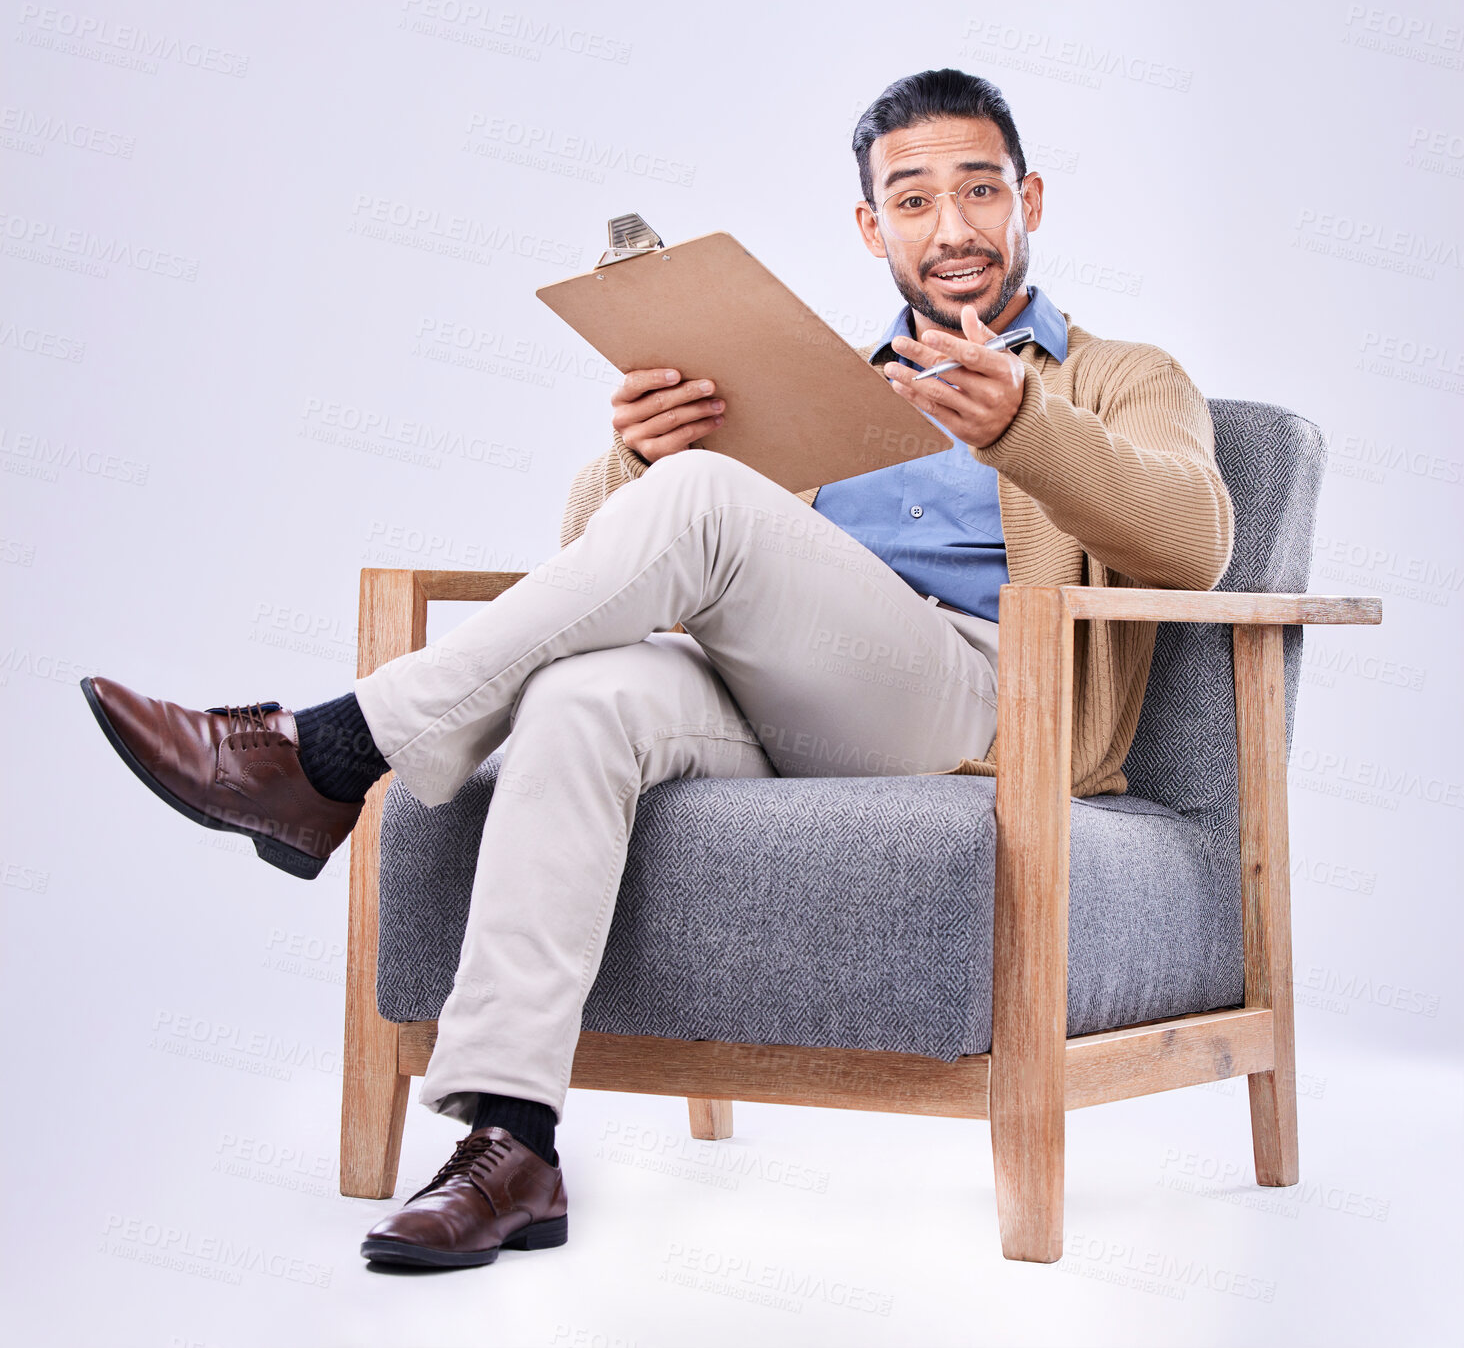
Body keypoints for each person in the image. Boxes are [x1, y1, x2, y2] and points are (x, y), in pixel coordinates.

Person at [80, 68, 1233, 1271]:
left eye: (981, 191)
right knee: (583, 695)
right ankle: (512, 1142)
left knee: (698, 505)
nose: (952, 230)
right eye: (913, 200)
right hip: (792, 698)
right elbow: (591, 576)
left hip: (988, 705)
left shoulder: (1118, 376)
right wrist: (637, 454)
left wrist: (1021, 428)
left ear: (1029, 199)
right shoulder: (825, 385)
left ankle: (324, 752)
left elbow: (1197, 541)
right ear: (870, 226)